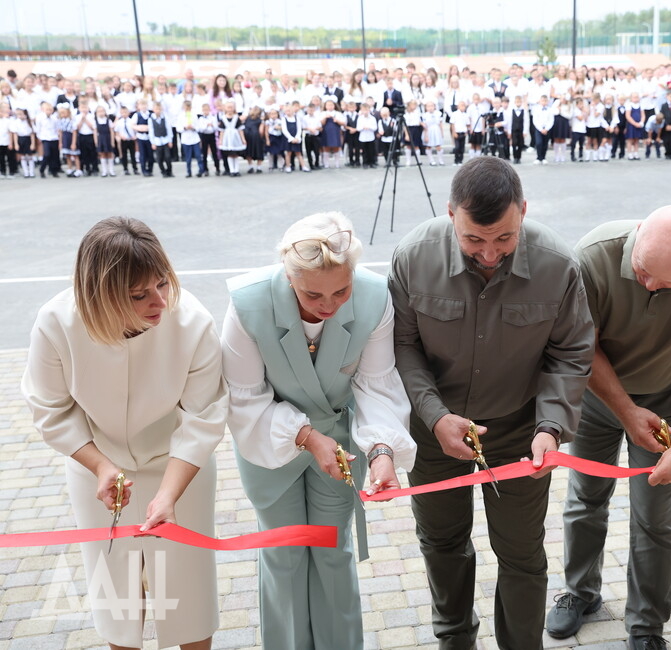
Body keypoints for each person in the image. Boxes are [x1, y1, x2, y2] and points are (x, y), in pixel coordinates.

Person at [388, 156, 595, 650]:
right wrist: (434, 416)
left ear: (524, 210)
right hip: (434, 430)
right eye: (473, 239)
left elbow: (570, 353)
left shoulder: (559, 265)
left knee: (522, 552)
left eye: (504, 238)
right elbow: (402, 346)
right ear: (450, 214)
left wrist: (550, 428)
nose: (488, 254)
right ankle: (455, 640)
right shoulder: (413, 257)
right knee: (442, 543)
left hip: (521, 431)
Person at [547, 207, 671, 650]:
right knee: (586, 495)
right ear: (638, 234)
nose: (650, 286)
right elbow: (582, 345)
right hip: (597, 393)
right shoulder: (593, 256)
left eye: (666, 283)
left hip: (668, 396)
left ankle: (646, 625)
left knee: (655, 514)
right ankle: (580, 591)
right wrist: (625, 411)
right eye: (642, 271)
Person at [22, 217, 228, 650]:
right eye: (139, 295)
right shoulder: (55, 322)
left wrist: (169, 494)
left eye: (162, 283)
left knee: (188, 596)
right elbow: (50, 409)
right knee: (118, 601)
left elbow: (202, 418)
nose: (159, 301)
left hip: (180, 468)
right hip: (98, 469)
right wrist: (100, 466)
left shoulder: (193, 321)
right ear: (100, 295)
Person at [222, 212, 416, 650]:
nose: (329, 305)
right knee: (284, 555)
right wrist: (307, 437)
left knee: (333, 550)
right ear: (288, 276)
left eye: (341, 290)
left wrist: (382, 449)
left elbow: (376, 383)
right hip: (268, 441)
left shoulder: (374, 296)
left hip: (341, 444)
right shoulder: (248, 303)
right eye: (313, 293)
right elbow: (244, 398)